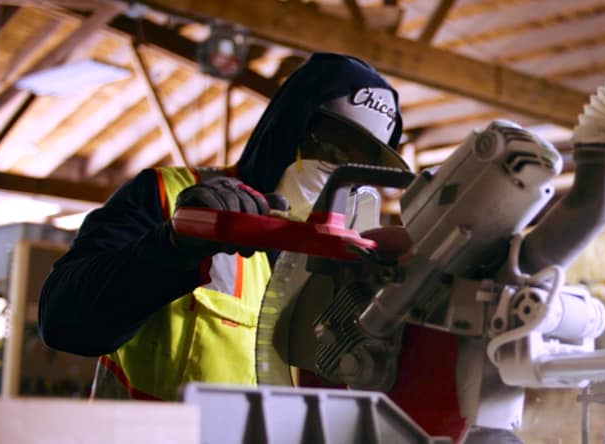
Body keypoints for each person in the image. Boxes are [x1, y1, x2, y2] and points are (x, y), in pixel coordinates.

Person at [38, 52, 409, 400]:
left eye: (358, 165)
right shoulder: (167, 195)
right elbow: (63, 323)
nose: (336, 171)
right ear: (287, 126)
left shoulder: (350, 262)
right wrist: (173, 245)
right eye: (329, 149)